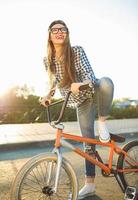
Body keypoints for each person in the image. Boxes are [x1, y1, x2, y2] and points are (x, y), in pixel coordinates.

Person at [41, 20, 114, 199]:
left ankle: (103, 122)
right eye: (55, 30)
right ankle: (90, 185)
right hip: (79, 102)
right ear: (49, 35)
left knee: (105, 82)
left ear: (67, 33)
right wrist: (48, 95)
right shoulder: (47, 60)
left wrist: (80, 84)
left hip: (90, 92)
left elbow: (91, 76)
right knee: (88, 143)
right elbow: (54, 81)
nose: (59, 32)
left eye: (63, 29)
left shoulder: (77, 51)